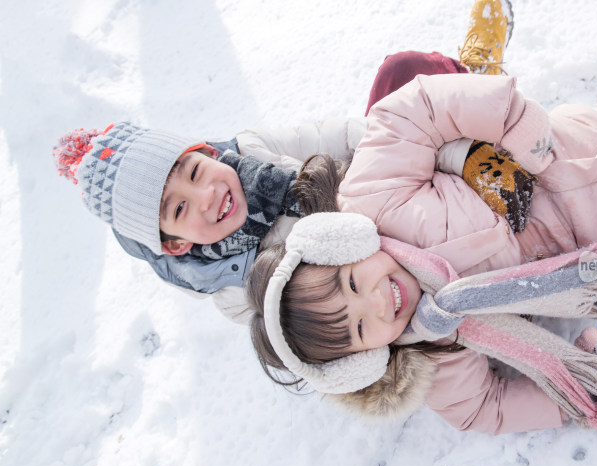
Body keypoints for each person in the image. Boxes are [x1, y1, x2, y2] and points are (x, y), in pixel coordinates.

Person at [247, 69, 597, 434]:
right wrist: (568, 391)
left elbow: (412, 110)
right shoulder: (437, 344)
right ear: (369, 358)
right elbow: (485, 410)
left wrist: (519, 130)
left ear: (339, 243)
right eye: (363, 329)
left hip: (579, 146)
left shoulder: (374, 196)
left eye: (349, 284)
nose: (377, 301)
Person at [50, 0, 514, 324]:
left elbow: (341, 134)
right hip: (395, 259)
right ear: (174, 244)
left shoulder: (248, 150)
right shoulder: (238, 288)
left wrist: (434, 149)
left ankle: (474, 80)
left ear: (204, 152)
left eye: (193, 172)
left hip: (379, 183)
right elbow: (323, 327)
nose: (207, 196)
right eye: (178, 210)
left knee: (402, 75)